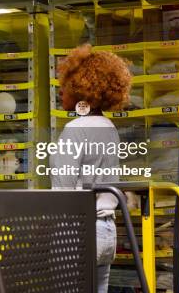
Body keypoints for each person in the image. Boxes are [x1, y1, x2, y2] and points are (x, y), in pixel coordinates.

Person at [49, 43, 132, 293]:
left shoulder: (75, 129)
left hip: (78, 231)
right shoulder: (108, 126)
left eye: (65, 85)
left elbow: (64, 191)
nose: (61, 91)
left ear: (82, 89)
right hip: (106, 231)